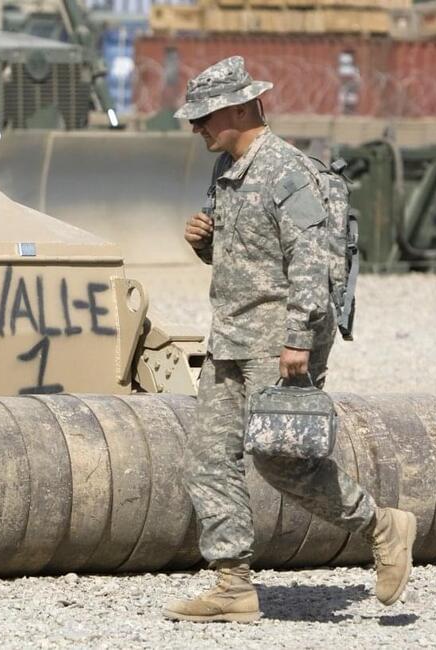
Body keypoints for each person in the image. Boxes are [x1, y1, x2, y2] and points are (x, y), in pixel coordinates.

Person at [163, 56, 416, 623]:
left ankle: (382, 526)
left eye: (204, 116)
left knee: (281, 461)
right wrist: (204, 243)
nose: (195, 127)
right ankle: (232, 585)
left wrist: (299, 337)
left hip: (277, 341)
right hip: (230, 336)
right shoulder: (226, 169)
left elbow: (312, 260)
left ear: (238, 109)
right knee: (208, 458)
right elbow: (242, 257)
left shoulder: (288, 171)